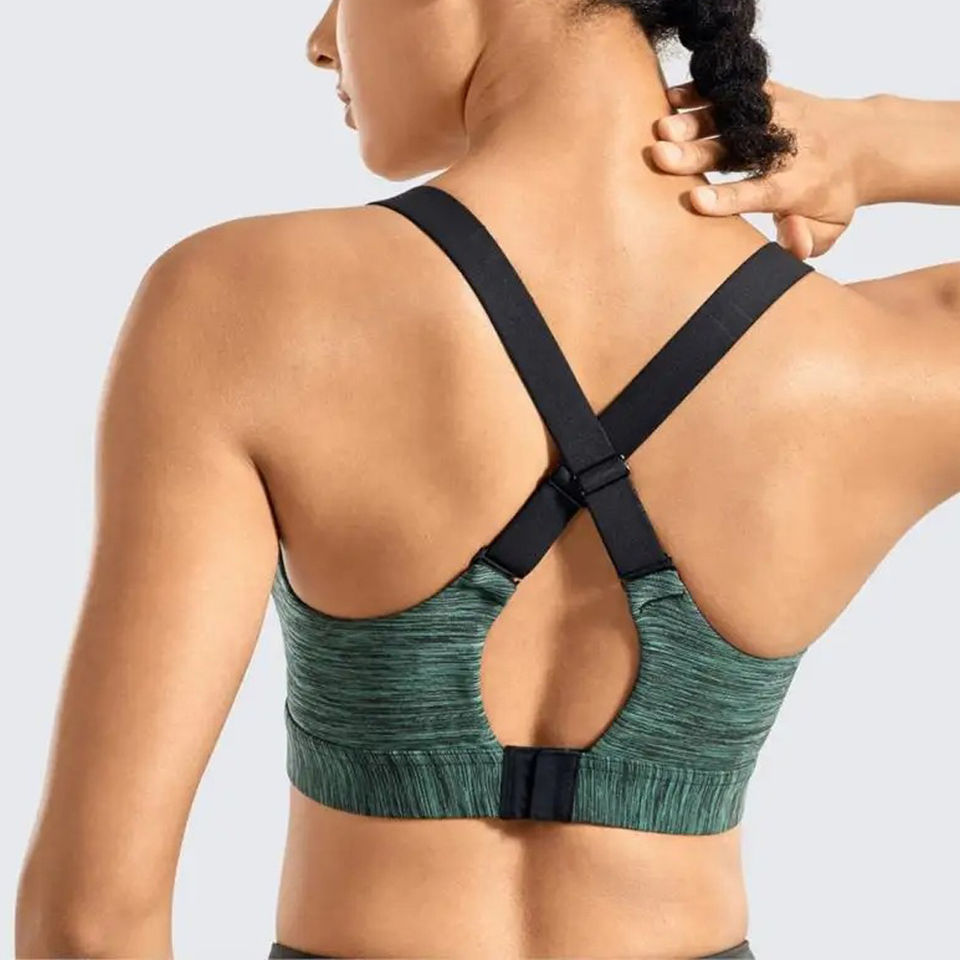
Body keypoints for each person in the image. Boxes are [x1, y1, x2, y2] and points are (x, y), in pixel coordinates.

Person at [14, 2, 959, 959]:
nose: (322, 39)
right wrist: (892, 142)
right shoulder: (875, 359)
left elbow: (92, 928)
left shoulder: (238, 301)